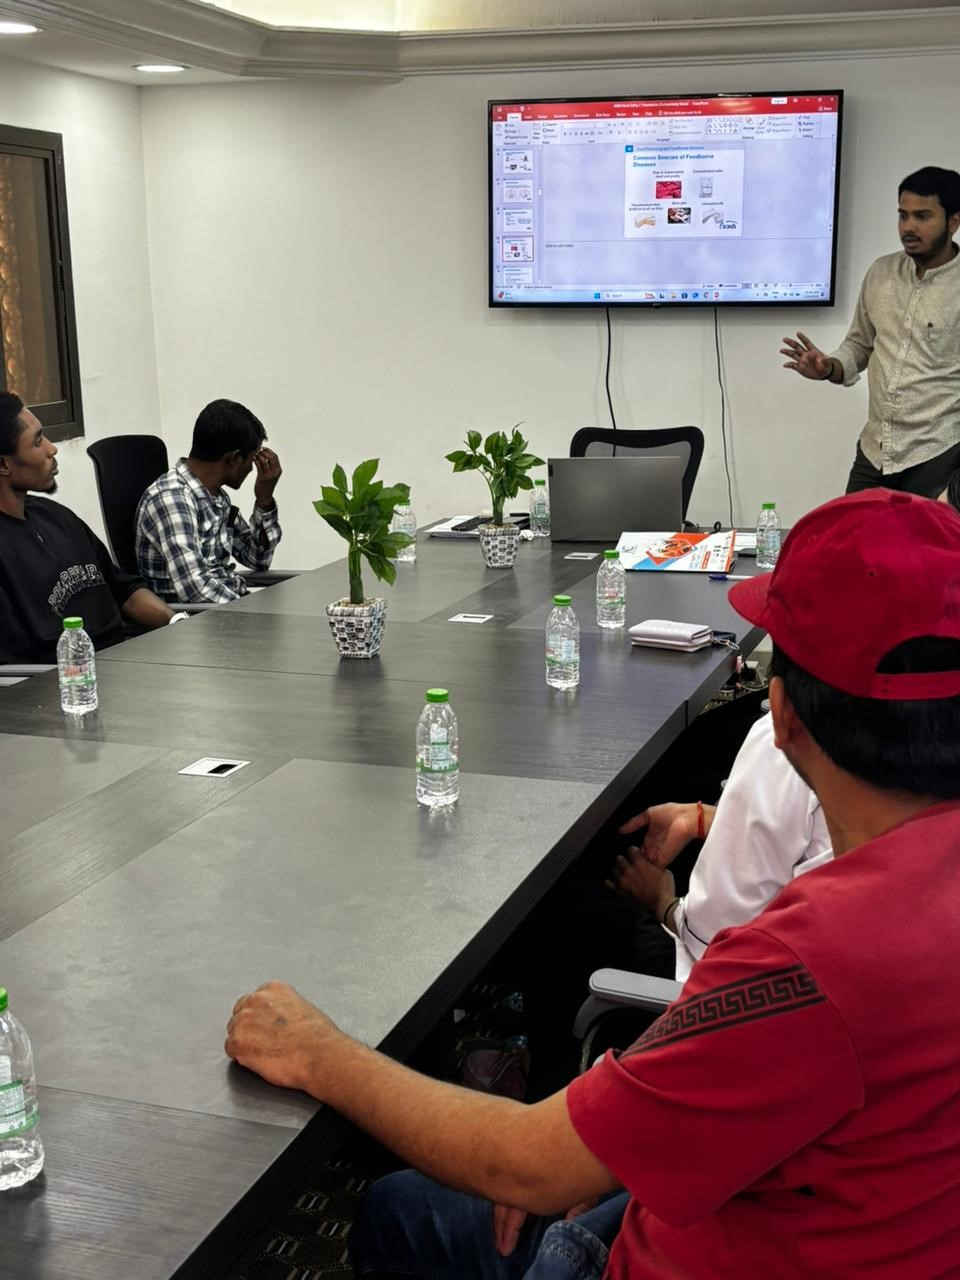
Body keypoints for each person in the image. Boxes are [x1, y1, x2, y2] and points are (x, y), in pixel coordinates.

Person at [226, 488, 960, 1279]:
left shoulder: (804, 962)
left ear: (780, 716)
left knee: (395, 1212)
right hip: (818, 1204)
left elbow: (525, 1165)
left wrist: (317, 1052)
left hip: (694, 1253)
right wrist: (613, 1143)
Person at [610, 710, 831, 982]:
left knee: (576, 903)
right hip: (836, 968)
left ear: (776, 695)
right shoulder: (872, 733)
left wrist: (660, 900)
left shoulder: (788, 734)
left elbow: (715, 937)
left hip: (745, 984)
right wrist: (714, 819)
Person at [781, 166, 960, 497]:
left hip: (938, 452)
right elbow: (859, 344)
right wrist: (829, 366)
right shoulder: (881, 272)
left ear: (953, 222)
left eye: (922, 216)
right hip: (876, 449)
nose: (908, 226)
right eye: (903, 215)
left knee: (919, 535)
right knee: (851, 531)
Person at [0, 392, 176, 664]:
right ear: (3, 464)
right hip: (66, 683)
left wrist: (177, 622)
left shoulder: (56, 516)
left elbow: (124, 592)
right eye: (37, 442)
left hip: (128, 666)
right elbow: (13, 667)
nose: (52, 449)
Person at [135, 398, 283, 604]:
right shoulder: (173, 499)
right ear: (234, 458)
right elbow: (194, 589)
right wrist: (252, 613)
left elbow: (258, 560)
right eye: (251, 461)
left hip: (228, 607)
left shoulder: (216, 497)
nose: (251, 469)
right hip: (197, 618)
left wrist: (264, 500)